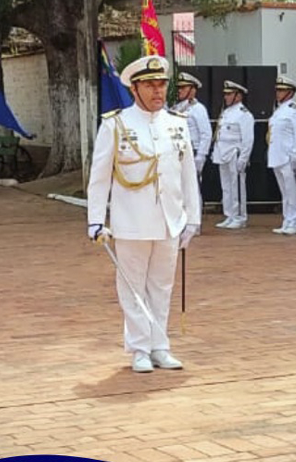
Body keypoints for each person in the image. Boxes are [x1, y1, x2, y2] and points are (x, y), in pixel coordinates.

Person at [86, 55, 201, 373]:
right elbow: (100, 176)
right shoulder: (116, 125)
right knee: (133, 287)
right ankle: (139, 348)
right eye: (150, 85)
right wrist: (96, 220)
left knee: (162, 287)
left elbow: (187, 175)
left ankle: (160, 346)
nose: (157, 91)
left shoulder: (177, 124)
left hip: (169, 221)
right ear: (134, 89)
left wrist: (192, 218)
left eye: (161, 84)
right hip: (132, 222)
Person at [211, 80, 254, 228]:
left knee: (237, 186)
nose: (226, 97)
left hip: (235, 153)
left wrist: (243, 158)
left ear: (238, 96)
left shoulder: (244, 114)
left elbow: (248, 139)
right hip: (222, 152)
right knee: (226, 186)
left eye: (229, 94)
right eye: (226, 94)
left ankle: (240, 216)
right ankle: (229, 214)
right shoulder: (226, 112)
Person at [267, 74, 296, 235]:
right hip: (277, 156)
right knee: (285, 192)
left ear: (290, 92)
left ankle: (295, 223)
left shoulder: (295, 110)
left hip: (289, 157)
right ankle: (287, 221)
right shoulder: (279, 110)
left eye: (281, 90)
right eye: (277, 90)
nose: (278, 93)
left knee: (292, 192)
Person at [172, 72, 213, 179]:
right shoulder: (177, 107)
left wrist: (201, 156)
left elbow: (206, 134)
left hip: (192, 151)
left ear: (192, 90)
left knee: (192, 185)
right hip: (177, 151)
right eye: (179, 88)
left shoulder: (198, 108)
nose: (179, 90)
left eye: (183, 88)